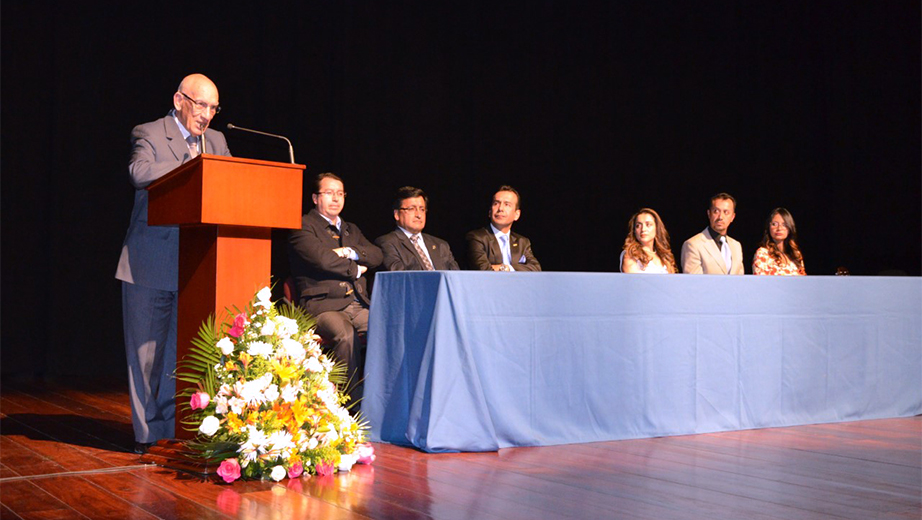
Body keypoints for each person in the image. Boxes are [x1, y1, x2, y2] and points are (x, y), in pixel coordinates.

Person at [115, 74, 231, 453]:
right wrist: (192, 167)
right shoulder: (149, 132)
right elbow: (139, 173)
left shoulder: (216, 141)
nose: (207, 115)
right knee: (146, 355)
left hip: (197, 264)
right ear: (180, 99)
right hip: (150, 261)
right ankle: (146, 435)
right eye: (201, 105)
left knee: (178, 356)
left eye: (214, 108)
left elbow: (230, 183)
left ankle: (171, 428)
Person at [287, 173, 382, 405]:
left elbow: (378, 255)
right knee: (345, 334)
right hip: (322, 306)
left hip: (357, 303)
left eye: (340, 194)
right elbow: (323, 260)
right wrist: (357, 270)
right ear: (315, 198)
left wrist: (349, 252)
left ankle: (382, 403)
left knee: (388, 328)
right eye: (329, 193)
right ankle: (350, 407)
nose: (336, 199)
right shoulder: (302, 226)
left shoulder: (351, 229)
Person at [375, 186, 460, 271]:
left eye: (422, 209)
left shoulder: (441, 245)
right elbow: (401, 276)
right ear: (397, 214)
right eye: (411, 209)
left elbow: (457, 277)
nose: (418, 215)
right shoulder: (387, 243)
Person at [465, 185, 541, 271]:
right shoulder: (477, 237)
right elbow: (483, 269)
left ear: (517, 215)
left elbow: (536, 268)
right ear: (490, 212)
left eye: (507, 204)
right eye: (496, 203)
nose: (500, 208)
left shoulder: (522, 242)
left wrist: (506, 268)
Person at [681, 192, 744, 274]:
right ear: (709, 214)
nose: (720, 217)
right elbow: (694, 283)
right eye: (716, 211)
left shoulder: (736, 246)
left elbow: (741, 281)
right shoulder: (693, 245)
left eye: (726, 212)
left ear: (732, 217)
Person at [620, 208, 677, 274]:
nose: (643, 229)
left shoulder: (664, 256)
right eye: (638, 226)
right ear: (634, 231)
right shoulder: (630, 254)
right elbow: (633, 281)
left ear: (657, 228)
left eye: (648, 224)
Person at [752, 208, 806, 275]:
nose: (779, 228)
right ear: (769, 227)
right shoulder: (763, 253)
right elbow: (761, 282)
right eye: (774, 224)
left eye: (784, 225)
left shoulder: (796, 255)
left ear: (789, 228)